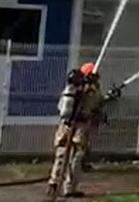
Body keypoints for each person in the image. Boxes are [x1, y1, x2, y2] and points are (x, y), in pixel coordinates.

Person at [46, 63, 120, 200]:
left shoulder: (92, 89)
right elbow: (70, 105)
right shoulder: (78, 87)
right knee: (68, 155)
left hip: (77, 125)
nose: (97, 79)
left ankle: (64, 186)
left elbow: (96, 105)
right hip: (73, 126)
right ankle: (58, 185)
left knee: (72, 157)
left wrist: (110, 97)